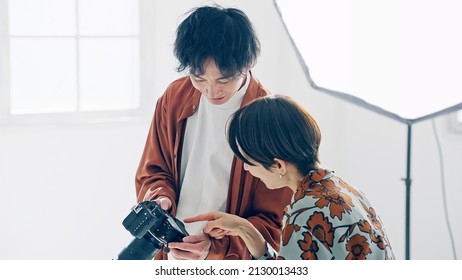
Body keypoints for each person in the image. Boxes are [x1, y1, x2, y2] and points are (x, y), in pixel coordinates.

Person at [135, 5, 292, 260]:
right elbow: (153, 171)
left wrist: (215, 249)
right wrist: (160, 198)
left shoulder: (271, 121)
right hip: (169, 252)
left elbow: (275, 222)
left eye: (224, 79)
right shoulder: (175, 97)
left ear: (248, 63)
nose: (211, 91)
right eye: (199, 78)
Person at [185, 95, 395, 260]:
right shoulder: (346, 190)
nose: (247, 170)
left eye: (249, 162)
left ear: (278, 165)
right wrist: (244, 228)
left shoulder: (305, 213)